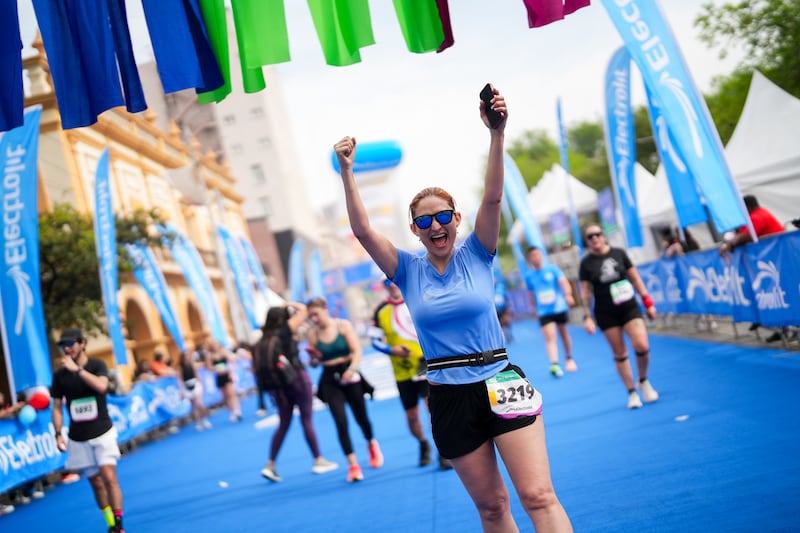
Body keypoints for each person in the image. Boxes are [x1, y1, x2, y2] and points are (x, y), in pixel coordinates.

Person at [333, 86, 572, 531]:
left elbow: (494, 198)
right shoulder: (406, 269)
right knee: (493, 508)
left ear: (456, 218)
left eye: (443, 215)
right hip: (447, 393)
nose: (435, 225)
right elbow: (364, 232)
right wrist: (347, 172)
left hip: (500, 380)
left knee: (538, 495)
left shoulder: (478, 251)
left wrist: (497, 134)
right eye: (424, 221)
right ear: (415, 230)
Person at [50, 328, 126, 533]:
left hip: (103, 431)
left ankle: (119, 525)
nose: (67, 348)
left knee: (109, 478)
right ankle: (110, 522)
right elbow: (57, 406)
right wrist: (58, 433)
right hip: (78, 436)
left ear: (82, 343)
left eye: (71, 344)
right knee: (96, 484)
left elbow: (102, 387)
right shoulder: (59, 376)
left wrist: (78, 371)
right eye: (63, 345)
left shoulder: (96, 365)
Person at [371, 279, 451, 470]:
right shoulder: (380, 311)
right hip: (402, 371)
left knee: (431, 409)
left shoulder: (417, 302)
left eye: (394, 282)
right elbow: (374, 341)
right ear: (385, 287)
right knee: (411, 416)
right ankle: (423, 444)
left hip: (424, 364)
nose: (392, 285)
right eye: (387, 283)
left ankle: (443, 451)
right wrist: (392, 350)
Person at [578, 224, 660, 410]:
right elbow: (585, 292)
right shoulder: (586, 263)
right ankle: (631, 392)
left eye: (597, 234)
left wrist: (647, 302)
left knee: (641, 345)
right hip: (606, 312)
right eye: (590, 237)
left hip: (629, 307)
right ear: (588, 242)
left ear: (603, 236)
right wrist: (587, 316)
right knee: (620, 353)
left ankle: (643, 380)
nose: (595, 238)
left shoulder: (619, 253)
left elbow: (635, 278)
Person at [255, 302, 339, 482]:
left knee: (283, 424)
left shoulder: (263, 339)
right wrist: (287, 305)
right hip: (297, 379)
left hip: (279, 388)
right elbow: (303, 309)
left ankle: (270, 464)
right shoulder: (284, 330)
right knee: (306, 419)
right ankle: (318, 459)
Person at [306, 297, 383, 483]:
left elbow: (357, 350)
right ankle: (353, 465)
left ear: (325, 309)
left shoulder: (343, 326)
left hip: (350, 374)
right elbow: (314, 362)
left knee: (361, 418)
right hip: (329, 378)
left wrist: (352, 369)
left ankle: (371, 442)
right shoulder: (313, 334)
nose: (314, 319)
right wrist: (314, 359)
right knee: (340, 421)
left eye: (316, 314)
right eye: (310, 317)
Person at [523, 246, 578, 377]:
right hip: (543, 311)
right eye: (532, 256)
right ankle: (554, 364)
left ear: (542, 255)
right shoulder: (529, 276)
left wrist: (568, 295)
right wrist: (532, 307)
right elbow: (530, 293)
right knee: (550, 336)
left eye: (537, 254)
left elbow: (563, 283)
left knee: (564, 334)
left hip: (558, 308)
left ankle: (569, 358)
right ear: (529, 259)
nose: (535, 258)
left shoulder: (552, 269)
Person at [719, 194, 784, 257]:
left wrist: (729, 244)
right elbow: (743, 233)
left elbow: (745, 236)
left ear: (747, 207)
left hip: (778, 250)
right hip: (777, 249)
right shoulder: (761, 212)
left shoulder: (757, 216)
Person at [204, 339, 242, 422]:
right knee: (225, 396)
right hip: (219, 376)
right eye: (213, 344)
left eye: (216, 344)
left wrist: (230, 370)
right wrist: (216, 369)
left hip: (226, 374)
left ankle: (237, 411)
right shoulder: (210, 356)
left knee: (231, 393)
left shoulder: (224, 352)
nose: (215, 346)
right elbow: (208, 367)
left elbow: (232, 360)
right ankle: (231, 412)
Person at [178, 348, 211, 431]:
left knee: (199, 403)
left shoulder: (193, 364)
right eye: (186, 355)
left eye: (189, 355)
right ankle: (198, 422)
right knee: (194, 406)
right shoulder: (180, 367)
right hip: (187, 385)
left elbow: (197, 374)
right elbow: (180, 379)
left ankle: (205, 419)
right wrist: (181, 390)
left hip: (195, 384)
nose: (188, 357)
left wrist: (201, 383)